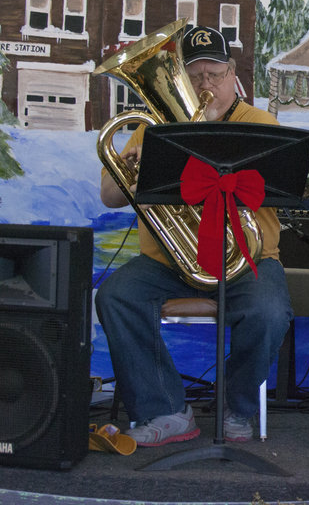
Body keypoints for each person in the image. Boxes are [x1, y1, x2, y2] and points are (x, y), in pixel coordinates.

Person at [96, 25, 292, 447]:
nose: (206, 85)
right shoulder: (154, 127)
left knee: (269, 312)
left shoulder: (261, 125)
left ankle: (237, 406)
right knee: (115, 295)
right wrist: (136, 166)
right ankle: (166, 410)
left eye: (214, 74)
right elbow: (109, 195)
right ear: (181, 79)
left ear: (232, 73)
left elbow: (282, 187)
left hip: (246, 258)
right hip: (170, 261)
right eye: (195, 75)